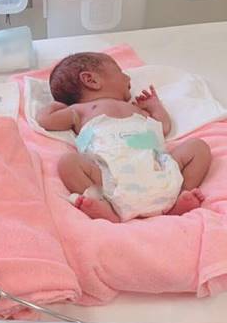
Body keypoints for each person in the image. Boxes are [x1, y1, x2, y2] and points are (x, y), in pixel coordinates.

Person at [37, 52, 211, 222]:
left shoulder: (136, 109)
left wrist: (155, 106)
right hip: (109, 177)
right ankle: (105, 205)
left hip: (157, 168)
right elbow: (46, 120)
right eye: (120, 72)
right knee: (67, 163)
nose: (128, 77)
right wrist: (56, 104)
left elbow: (163, 127)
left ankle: (180, 196)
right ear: (91, 80)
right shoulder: (79, 111)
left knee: (198, 147)